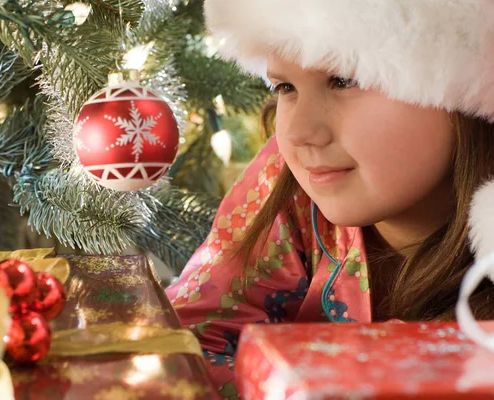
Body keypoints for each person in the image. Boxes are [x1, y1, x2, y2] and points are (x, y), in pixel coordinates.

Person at [166, 0, 494, 395]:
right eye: (285, 87)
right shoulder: (288, 180)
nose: (300, 132)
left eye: (344, 79)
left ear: (468, 88)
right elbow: (186, 338)